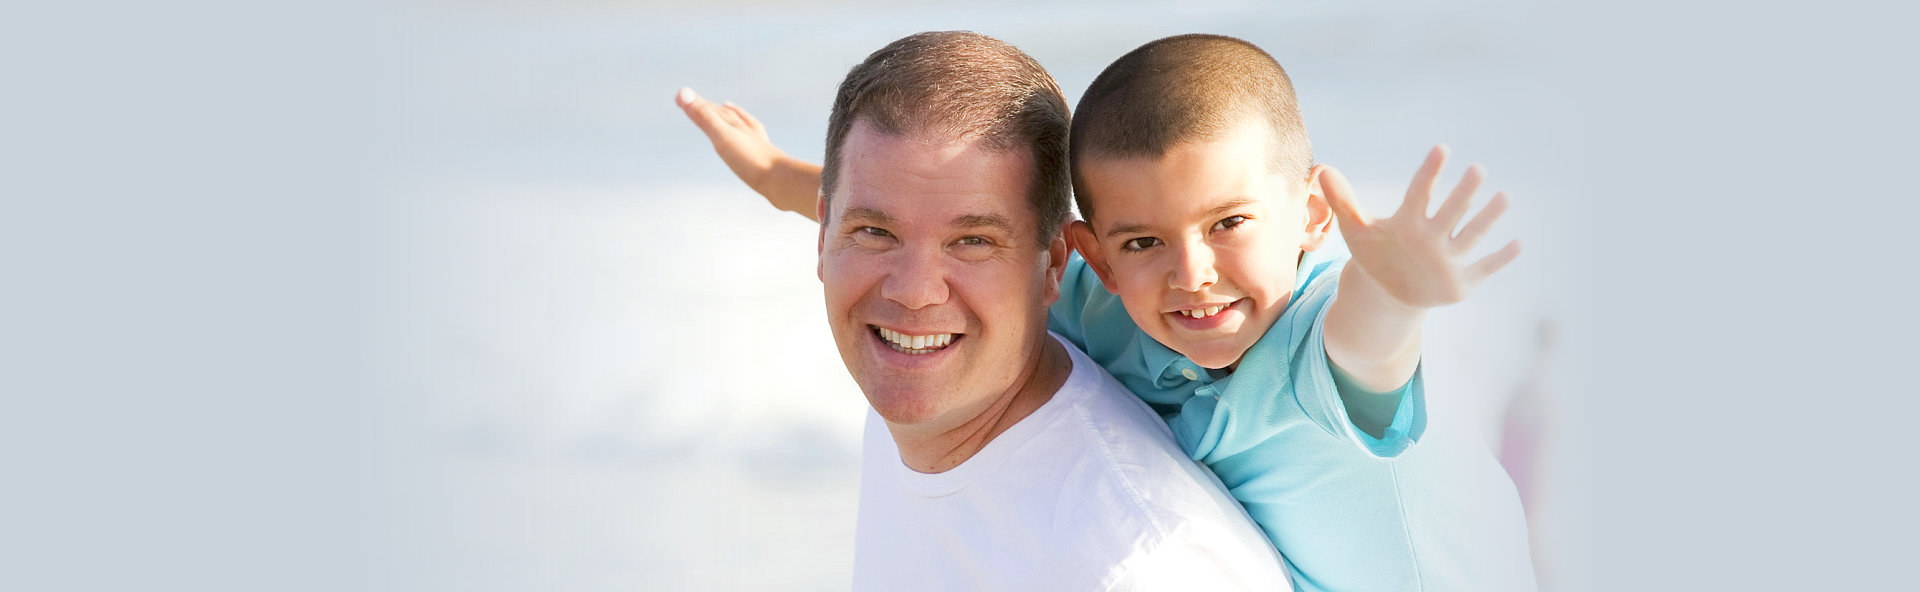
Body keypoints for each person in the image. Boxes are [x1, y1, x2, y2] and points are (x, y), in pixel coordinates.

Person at [681, 33, 1538, 591]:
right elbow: (920, 215)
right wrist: (776, 179)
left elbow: (1369, 346)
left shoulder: (1308, 339)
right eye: (1143, 242)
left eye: (1229, 224)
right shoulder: (1109, 295)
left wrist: (1397, 291)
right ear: (1085, 252)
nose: (1193, 275)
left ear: (1313, 217)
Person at [700, 31, 1293, 590]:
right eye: (876, 232)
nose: (914, 293)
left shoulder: (1142, 563)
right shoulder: (928, 400)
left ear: (1054, 264)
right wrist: (770, 174)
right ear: (825, 232)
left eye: (974, 241)